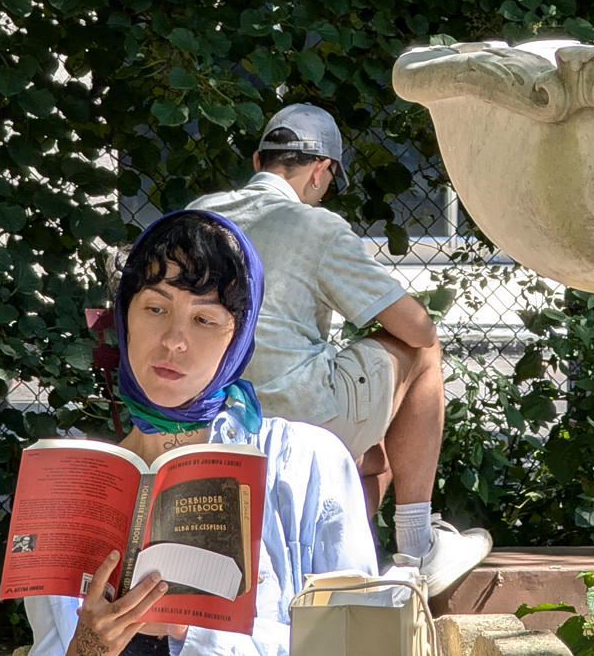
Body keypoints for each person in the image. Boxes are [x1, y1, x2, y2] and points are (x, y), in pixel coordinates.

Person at [25, 210, 378, 656]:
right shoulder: (75, 491)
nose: (174, 340)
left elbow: (363, 640)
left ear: (238, 338)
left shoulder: (304, 463)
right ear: (125, 319)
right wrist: (88, 647)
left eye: (204, 319)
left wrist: (191, 630)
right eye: (156, 308)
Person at [189, 104, 492, 598]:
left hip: (209, 412)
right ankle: (417, 547)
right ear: (321, 170)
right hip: (295, 416)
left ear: (257, 160)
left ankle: (331, 562)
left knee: (377, 453)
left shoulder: (200, 213)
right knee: (423, 356)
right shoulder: (314, 226)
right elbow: (417, 328)